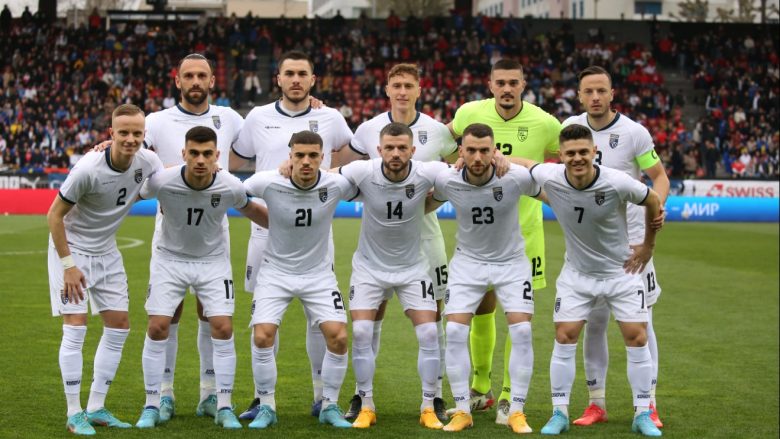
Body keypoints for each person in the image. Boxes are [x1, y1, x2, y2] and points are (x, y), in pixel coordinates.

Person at [517, 124, 663, 437]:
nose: (577, 158)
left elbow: (652, 199)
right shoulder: (551, 175)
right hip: (577, 275)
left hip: (621, 272)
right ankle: (560, 413)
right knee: (565, 335)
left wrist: (648, 246)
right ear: (561, 156)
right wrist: (493, 157)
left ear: (594, 152)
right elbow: (526, 163)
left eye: (583, 152)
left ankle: (642, 413)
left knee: (637, 337)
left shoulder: (616, 181)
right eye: (570, 153)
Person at [231, 50, 353, 420]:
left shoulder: (330, 117)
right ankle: (261, 398)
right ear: (279, 79)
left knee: (320, 321)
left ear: (313, 79)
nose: (296, 79)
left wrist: (326, 173)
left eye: (303, 73)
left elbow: (350, 156)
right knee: (265, 320)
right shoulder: (257, 117)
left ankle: (321, 397)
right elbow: (235, 161)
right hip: (265, 234)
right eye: (290, 73)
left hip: (315, 234)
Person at [334, 63, 458, 422]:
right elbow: (343, 168)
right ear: (387, 89)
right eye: (396, 85)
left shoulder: (437, 130)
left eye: (408, 85)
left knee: (433, 320)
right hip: (378, 243)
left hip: (425, 237)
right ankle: (362, 396)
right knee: (369, 321)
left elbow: (458, 168)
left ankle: (434, 396)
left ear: (419, 89)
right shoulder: (368, 128)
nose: (402, 91)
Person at [447, 58, 561, 423]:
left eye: (514, 82)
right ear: (490, 84)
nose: (507, 88)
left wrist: (521, 162)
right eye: (501, 82)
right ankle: (481, 390)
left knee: (519, 317)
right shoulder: (469, 113)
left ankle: (510, 398)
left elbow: (568, 161)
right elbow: (443, 141)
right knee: (482, 308)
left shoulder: (545, 122)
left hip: (525, 236)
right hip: (480, 239)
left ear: (524, 84)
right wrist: (454, 161)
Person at [135, 126, 267, 429]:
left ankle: (222, 404)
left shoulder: (230, 185)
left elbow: (253, 211)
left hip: (212, 261)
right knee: (157, 326)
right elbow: (130, 194)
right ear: (183, 154)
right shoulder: (162, 181)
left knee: (222, 326)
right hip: (169, 259)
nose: (200, 159)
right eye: (193, 153)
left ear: (217, 155)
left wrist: (288, 230)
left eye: (207, 154)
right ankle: (153, 403)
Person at [562, 66, 669, 428]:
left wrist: (656, 214)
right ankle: (597, 404)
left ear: (612, 94)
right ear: (579, 95)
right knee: (594, 323)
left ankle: (649, 404)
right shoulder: (571, 128)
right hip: (589, 246)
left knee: (643, 324)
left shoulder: (634, 132)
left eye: (601, 91)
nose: (595, 97)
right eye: (588, 91)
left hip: (632, 248)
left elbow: (659, 178)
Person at [47, 104, 163, 435]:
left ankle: (96, 407)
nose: (130, 139)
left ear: (144, 135)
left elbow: (166, 177)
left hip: (107, 251)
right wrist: (68, 266)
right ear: (110, 133)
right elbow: (54, 215)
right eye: (123, 133)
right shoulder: (88, 168)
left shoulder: (148, 161)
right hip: (72, 251)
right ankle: (74, 413)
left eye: (137, 133)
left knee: (119, 326)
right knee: (76, 327)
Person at [142, 53, 245, 422]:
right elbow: (133, 153)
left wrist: (309, 104)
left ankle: (210, 394)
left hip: (213, 235)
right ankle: (164, 395)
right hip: (170, 234)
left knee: (212, 316)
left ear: (212, 81)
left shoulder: (231, 118)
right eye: (189, 76)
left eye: (202, 75)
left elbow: (269, 140)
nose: (196, 81)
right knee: (166, 317)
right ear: (178, 80)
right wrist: (105, 147)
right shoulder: (156, 121)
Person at [427, 123, 541, 433]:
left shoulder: (514, 177)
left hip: (511, 263)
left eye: (484, 151)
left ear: (494, 152)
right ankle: (463, 411)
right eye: (471, 150)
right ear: (461, 152)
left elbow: (550, 188)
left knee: (521, 331)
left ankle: (516, 411)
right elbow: (423, 203)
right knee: (454, 330)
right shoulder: (448, 179)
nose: (478, 157)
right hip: (468, 263)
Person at [242, 131, 359, 429]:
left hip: (318, 274)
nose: (306, 161)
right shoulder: (268, 181)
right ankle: (266, 406)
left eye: (313, 156)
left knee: (339, 336)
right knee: (262, 336)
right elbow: (235, 194)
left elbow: (371, 176)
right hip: (275, 272)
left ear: (322, 157)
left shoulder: (336, 184)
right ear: (290, 156)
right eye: (300, 155)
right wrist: (265, 217)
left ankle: (329, 405)